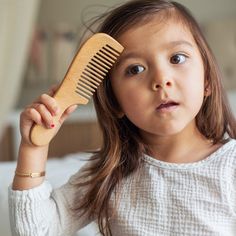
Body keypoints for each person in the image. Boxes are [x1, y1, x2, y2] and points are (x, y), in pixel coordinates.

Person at [9, 0, 236, 235]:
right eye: (135, 69)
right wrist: (33, 149)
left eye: (177, 58)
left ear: (207, 80)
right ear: (114, 100)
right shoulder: (108, 173)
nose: (161, 79)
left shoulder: (231, 167)